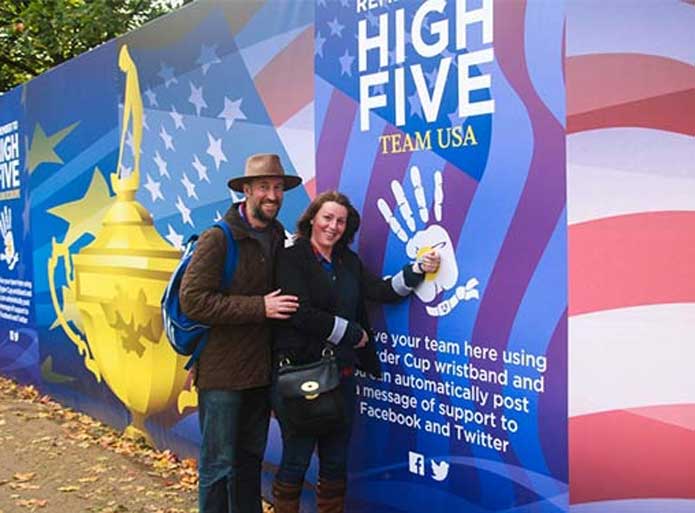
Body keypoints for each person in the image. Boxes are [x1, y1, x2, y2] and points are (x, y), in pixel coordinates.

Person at [271, 191, 440, 513]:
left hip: (342, 375)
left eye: (340, 221)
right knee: (296, 458)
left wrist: (417, 269)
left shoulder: (348, 261)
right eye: (327, 218)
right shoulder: (291, 259)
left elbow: (380, 291)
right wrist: (351, 333)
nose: (333, 226)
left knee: (336, 460)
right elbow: (299, 313)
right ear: (311, 220)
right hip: (302, 374)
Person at [179, 153, 302, 513]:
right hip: (222, 375)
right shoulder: (218, 238)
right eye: (264, 186)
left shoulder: (278, 234)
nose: (273, 195)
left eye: (278, 187)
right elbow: (193, 301)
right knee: (218, 465)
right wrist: (258, 307)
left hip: (260, 375)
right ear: (246, 190)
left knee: (250, 462)